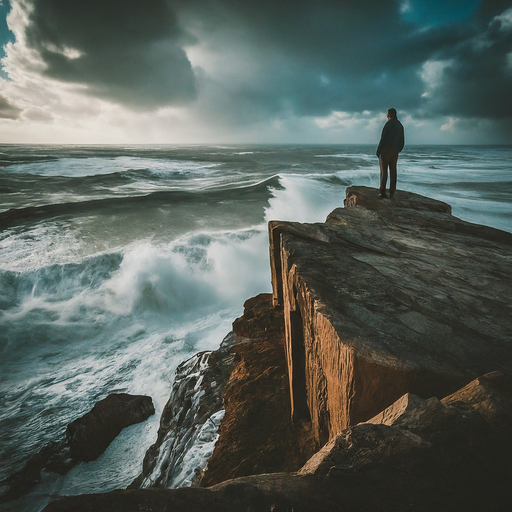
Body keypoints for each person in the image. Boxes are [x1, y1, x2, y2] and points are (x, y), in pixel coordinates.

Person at [376, 108, 404, 199]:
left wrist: (378, 151)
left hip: (385, 150)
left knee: (384, 172)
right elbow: (402, 140)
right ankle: (392, 193)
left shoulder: (388, 124)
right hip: (394, 151)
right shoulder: (400, 125)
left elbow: (383, 138)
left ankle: (382, 192)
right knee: (393, 171)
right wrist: (398, 150)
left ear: (388, 115)